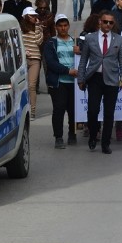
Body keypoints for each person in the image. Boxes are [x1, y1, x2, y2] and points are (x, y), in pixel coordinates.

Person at [77, 10, 122, 155]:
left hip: (112, 79)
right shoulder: (90, 38)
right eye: (105, 22)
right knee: (93, 110)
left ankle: (106, 143)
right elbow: (83, 60)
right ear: (100, 22)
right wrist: (81, 78)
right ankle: (93, 135)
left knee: (109, 113)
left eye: (111, 22)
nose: (108, 25)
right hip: (94, 78)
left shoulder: (118, 39)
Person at [43, 14, 78, 149]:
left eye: (65, 25)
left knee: (73, 110)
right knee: (59, 109)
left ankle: (72, 134)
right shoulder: (51, 43)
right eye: (60, 26)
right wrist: (67, 71)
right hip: (59, 82)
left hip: (74, 82)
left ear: (68, 26)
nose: (63, 28)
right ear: (56, 27)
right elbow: (51, 63)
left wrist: (80, 51)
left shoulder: (76, 41)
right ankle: (58, 137)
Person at [20, 7, 44, 117]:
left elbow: (39, 41)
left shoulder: (38, 28)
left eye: (35, 16)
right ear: (26, 17)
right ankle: (22, 111)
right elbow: (17, 44)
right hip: (23, 60)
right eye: (32, 16)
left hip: (35, 60)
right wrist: (24, 52)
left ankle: (32, 111)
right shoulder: (20, 29)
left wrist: (38, 27)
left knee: (31, 85)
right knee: (21, 87)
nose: (35, 18)